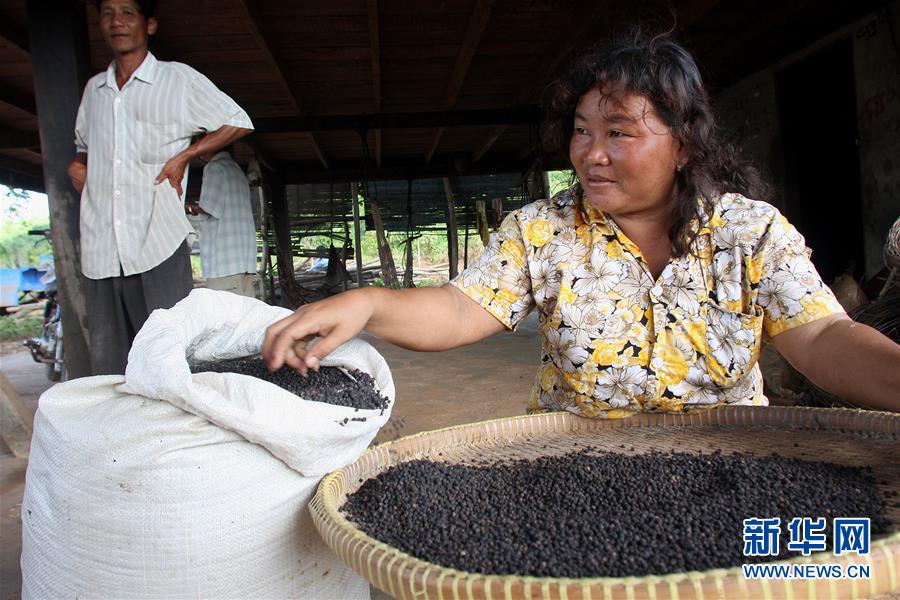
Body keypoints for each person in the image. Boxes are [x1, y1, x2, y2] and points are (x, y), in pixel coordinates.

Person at [262, 32, 900, 415]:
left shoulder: (749, 233)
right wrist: (369, 303)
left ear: (683, 144)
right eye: (581, 131)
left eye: (619, 133)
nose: (590, 154)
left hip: (727, 463)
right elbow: (461, 311)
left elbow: (819, 340)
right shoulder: (542, 231)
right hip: (578, 468)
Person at [66, 0, 253, 374]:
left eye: (127, 13)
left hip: (156, 240)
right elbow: (84, 149)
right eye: (107, 14)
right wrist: (80, 165)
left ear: (148, 25)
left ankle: (172, 429)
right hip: (103, 247)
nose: (116, 21)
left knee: (167, 357)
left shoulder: (176, 80)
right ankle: (121, 432)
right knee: (111, 365)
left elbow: (237, 120)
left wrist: (186, 154)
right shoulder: (94, 92)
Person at [186, 146, 258, 298]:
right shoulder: (237, 171)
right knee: (247, 316)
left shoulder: (214, 168)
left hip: (224, 265)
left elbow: (209, 207)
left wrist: (191, 207)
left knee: (227, 317)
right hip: (244, 261)